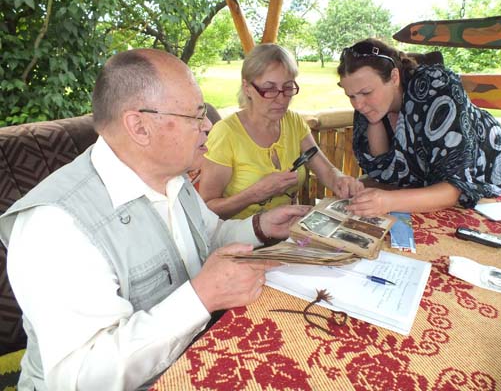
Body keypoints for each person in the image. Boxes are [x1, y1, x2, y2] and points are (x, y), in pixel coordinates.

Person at [0, 48, 310, 391]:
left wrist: (261, 226)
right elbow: (79, 378)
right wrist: (201, 297)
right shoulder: (54, 227)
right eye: (195, 115)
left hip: (191, 362)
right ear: (139, 126)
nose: (208, 125)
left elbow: (212, 236)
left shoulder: (174, 179)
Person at [337, 38, 501, 217]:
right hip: (429, 190)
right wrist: (373, 118)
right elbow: (384, 169)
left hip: (483, 173)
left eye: (366, 93)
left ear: (394, 77)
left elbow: (454, 188)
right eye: (350, 96)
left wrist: (387, 201)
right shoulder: (368, 104)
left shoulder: (438, 90)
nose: (358, 105)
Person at [199, 43, 363, 220]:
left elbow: (325, 170)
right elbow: (207, 210)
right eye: (269, 89)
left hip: (286, 233)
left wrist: (340, 180)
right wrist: (255, 194)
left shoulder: (293, 122)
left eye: (287, 88)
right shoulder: (226, 134)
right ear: (247, 88)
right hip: (239, 240)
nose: (281, 99)